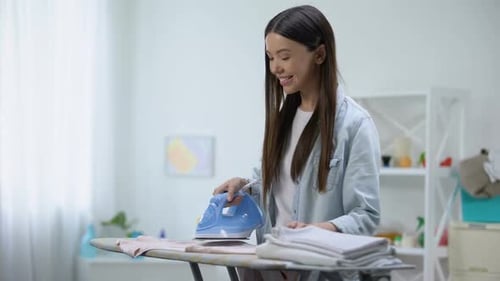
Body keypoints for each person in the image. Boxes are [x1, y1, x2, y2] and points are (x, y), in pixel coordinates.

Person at [213, 5, 381, 281]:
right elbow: (279, 191)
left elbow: (366, 216)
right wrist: (244, 187)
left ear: (320, 54)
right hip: (270, 269)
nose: (275, 67)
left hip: (319, 272)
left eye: (285, 56)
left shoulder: (355, 125)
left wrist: (315, 231)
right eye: (270, 57)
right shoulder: (282, 120)